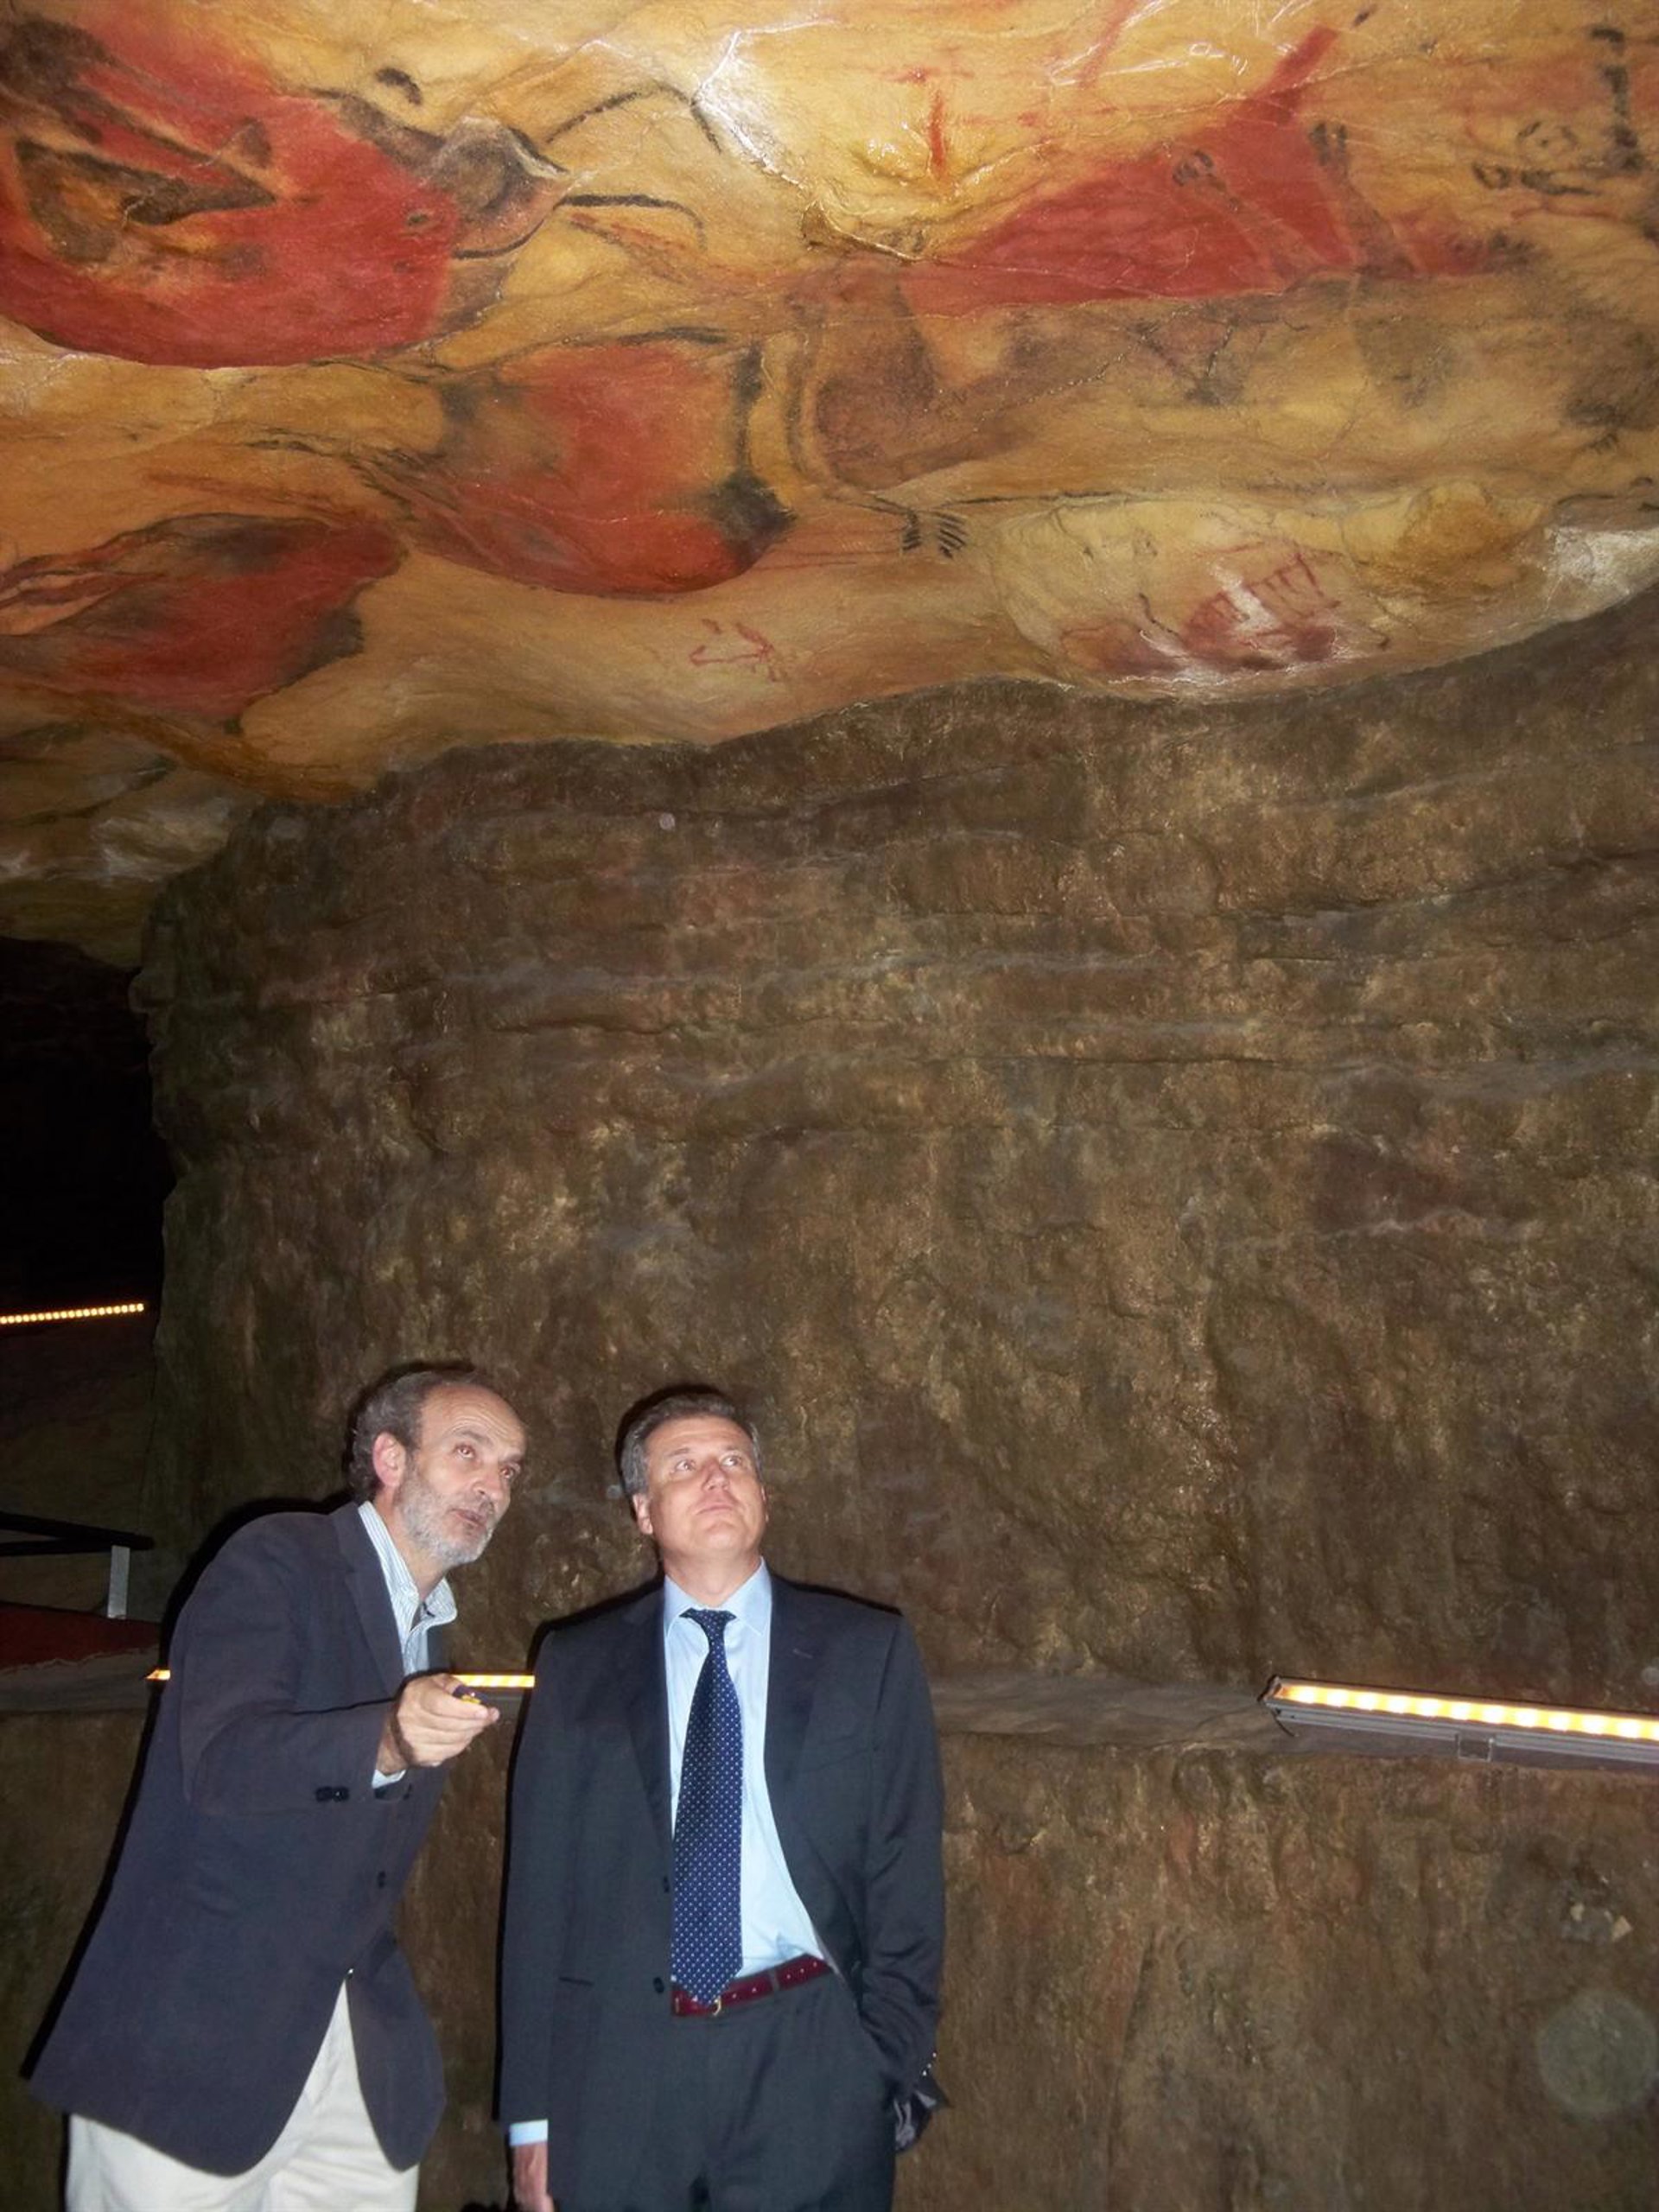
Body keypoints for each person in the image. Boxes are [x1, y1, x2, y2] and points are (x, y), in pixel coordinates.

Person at [30, 1361, 527, 2212]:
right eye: (468, 1452)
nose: (493, 1485)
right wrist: (386, 1737)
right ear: (391, 1458)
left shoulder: (428, 1635)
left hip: (353, 2060)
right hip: (193, 2046)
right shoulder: (280, 1557)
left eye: (509, 1470)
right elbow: (224, 1758)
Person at [500, 1384, 944, 2212]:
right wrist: (531, 2120)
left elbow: (906, 1866)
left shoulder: (866, 1652)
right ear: (643, 1511)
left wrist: (883, 2059)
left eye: (734, 1461)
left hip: (808, 2055)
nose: (715, 1478)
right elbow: (537, 1900)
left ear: (763, 1496)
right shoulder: (577, 1665)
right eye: (684, 1465)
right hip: (620, 2068)